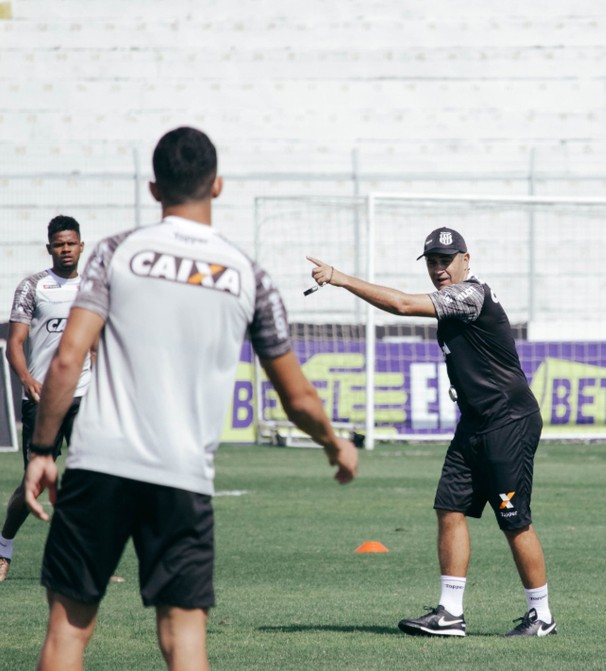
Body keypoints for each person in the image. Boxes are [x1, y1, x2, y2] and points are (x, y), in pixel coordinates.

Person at [23, 126, 359, 671]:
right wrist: (333, 444)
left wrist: (41, 451)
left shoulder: (115, 252)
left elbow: (66, 360)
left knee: (67, 633)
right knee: (184, 642)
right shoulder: (249, 275)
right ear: (218, 186)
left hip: (97, 464)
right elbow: (295, 395)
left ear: (155, 189)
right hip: (181, 476)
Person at [307, 227, 556, 638]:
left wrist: (341, 278)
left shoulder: (471, 296)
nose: (440, 269)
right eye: (433, 262)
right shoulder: (451, 299)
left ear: (466, 260)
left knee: (513, 520)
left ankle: (541, 615)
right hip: (476, 422)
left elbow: (404, 305)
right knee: (450, 507)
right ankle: (450, 613)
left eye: (447, 260)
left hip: (508, 420)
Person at [0, 216, 94, 583]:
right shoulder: (33, 287)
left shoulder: (93, 287)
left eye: (71, 243)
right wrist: (26, 378)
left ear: (81, 245)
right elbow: (16, 345)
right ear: (50, 248)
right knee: (32, 485)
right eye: (59, 244)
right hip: (44, 399)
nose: (66, 249)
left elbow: (98, 340)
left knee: (93, 477)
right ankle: (4, 546)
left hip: (84, 395)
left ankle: (85, 558)